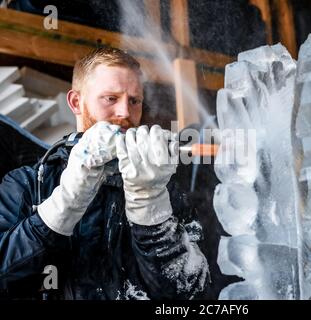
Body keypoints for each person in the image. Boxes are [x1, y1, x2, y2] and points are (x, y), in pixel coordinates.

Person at [0, 47, 209, 300]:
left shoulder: (165, 189)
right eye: (110, 98)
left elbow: (190, 293)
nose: (124, 113)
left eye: (134, 101)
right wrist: (64, 203)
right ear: (76, 102)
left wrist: (150, 204)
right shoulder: (28, 183)